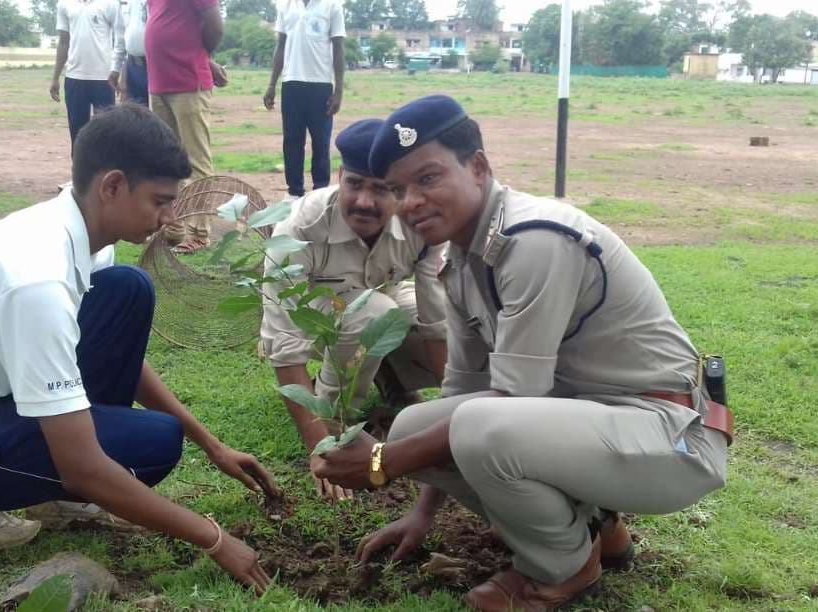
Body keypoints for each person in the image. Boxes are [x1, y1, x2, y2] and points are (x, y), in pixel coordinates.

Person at [312, 95, 732, 611]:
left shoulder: (534, 240)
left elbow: (505, 405)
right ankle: (600, 530)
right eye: (399, 189)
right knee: (415, 423)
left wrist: (381, 462)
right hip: (604, 422)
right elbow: (462, 396)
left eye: (428, 178)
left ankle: (563, 566)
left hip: (670, 436)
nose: (411, 201)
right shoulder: (462, 263)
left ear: (479, 167)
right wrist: (421, 511)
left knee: (479, 428)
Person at [0, 105, 278, 595]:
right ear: (112, 186)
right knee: (152, 445)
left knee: (127, 290)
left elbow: (123, 361)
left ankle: (51, 495)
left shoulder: (83, 232)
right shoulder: (36, 278)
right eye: (160, 201)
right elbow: (84, 467)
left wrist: (214, 446)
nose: (168, 218)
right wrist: (215, 539)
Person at [260, 119, 447, 503]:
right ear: (340, 175)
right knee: (375, 312)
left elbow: (437, 323)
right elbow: (284, 343)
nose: (364, 200)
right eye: (355, 183)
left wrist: (456, 415)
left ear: (400, 190)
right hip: (316, 319)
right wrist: (323, 445)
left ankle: (392, 380)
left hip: (385, 298)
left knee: (464, 333)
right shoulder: (301, 227)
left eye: (380, 189)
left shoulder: (420, 225)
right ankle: (339, 420)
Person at [145, 0, 226, 254]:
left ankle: (199, 233)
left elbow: (215, 25)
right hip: (159, 83)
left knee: (196, 161)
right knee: (167, 162)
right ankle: (173, 227)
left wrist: (202, 56)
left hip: (188, 82)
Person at [263, 0, 345, 200]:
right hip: (291, 84)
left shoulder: (332, 6)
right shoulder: (285, 6)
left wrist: (339, 90)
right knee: (292, 142)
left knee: (321, 143)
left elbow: (339, 49)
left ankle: (320, 193)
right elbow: (280, 46)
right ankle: (294, 192)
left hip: (321, 86)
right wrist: (272, 84)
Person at [50, 0, 120, 147]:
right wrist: (55, 77)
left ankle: (104, 169)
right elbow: (63, 42)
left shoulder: (110, 3)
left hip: (103, 79)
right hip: (74, 77)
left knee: (106, 133)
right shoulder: (64, 4)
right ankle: (79, 169)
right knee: (77, 133)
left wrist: (117, 70)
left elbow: (120, 38)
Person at [112, 0, 149, 106]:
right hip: (132, 66)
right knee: (132, 115)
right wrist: (116, 69)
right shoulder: (127, 2)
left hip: (157, 66)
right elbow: (123, 38)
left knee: (158, 117)